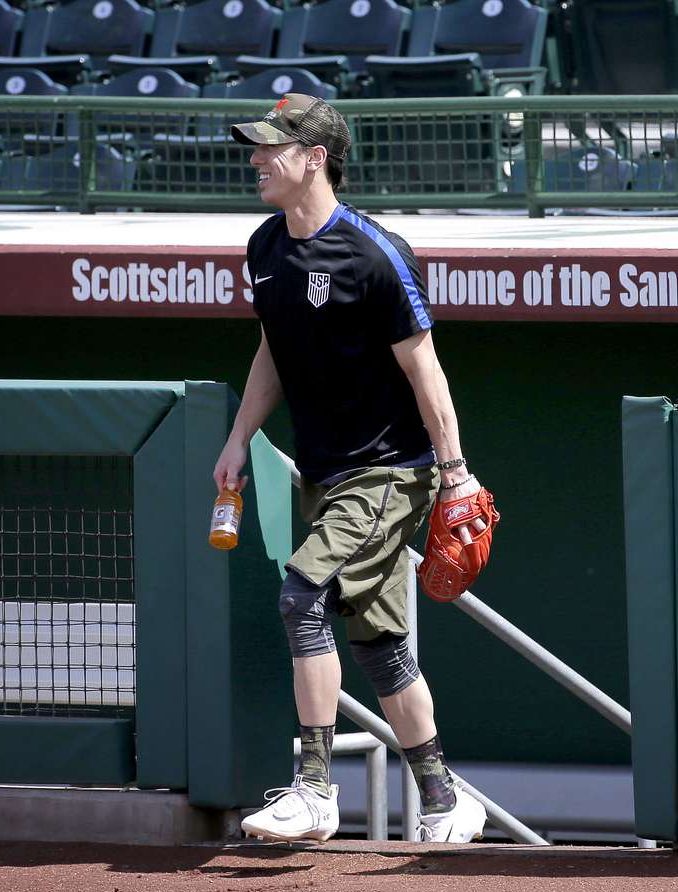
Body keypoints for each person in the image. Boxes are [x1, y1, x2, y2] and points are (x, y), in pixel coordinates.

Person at [214, 93, 488, 842]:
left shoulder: (375, 252)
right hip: (327, 473)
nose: (256, 159)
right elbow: (275, 347)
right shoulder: (266, 247)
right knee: (377, 642)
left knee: (302, 597)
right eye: (258, 146)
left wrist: (456, 471)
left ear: (316, 159)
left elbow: (425, 369)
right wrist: (240, 435)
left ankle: (314, 789)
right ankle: (443, 797)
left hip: (393, 470)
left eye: (272, 147)